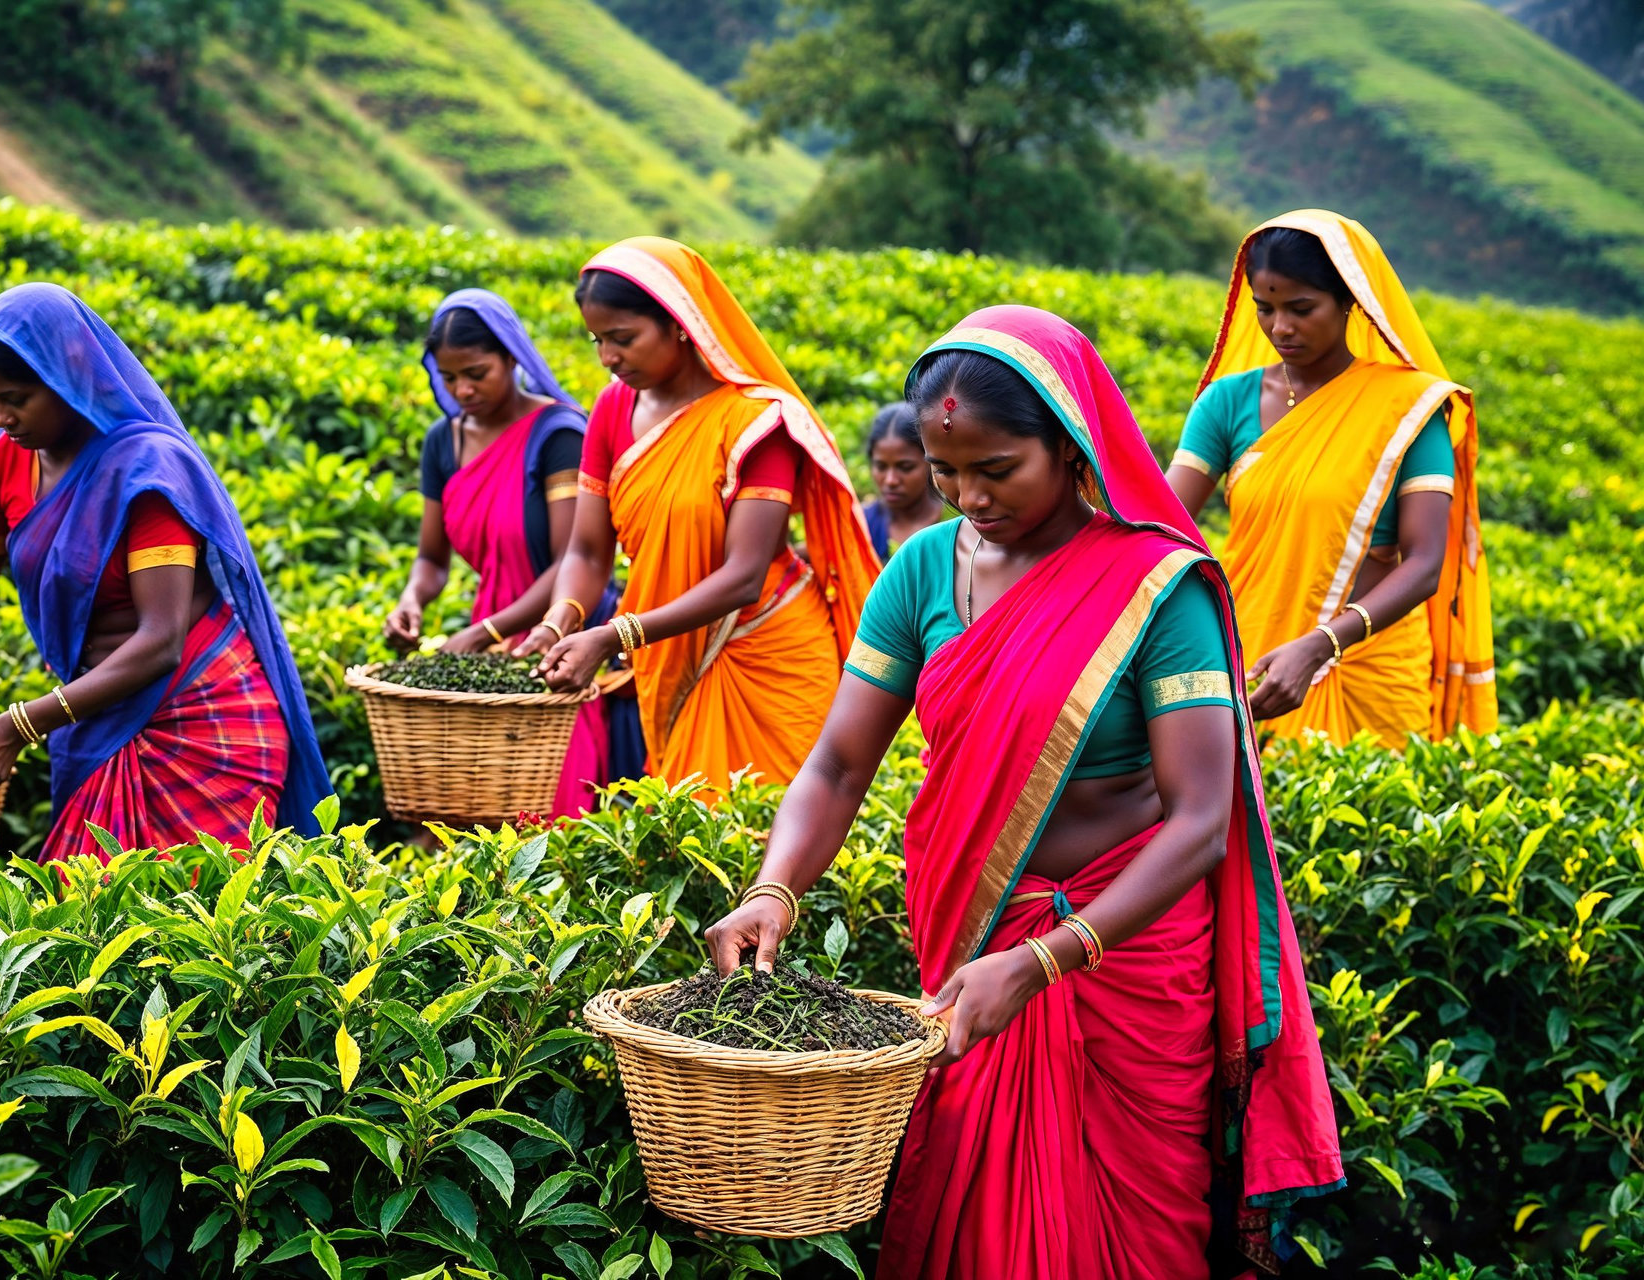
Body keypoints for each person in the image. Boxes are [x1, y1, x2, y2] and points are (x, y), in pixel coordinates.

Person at [705, 307, 1343, 1278]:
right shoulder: (921, 568)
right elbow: (837, 764)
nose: (967, 495)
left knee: (1136, 1235)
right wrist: (771, 888)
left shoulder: (1156, 587)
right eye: (945, 468)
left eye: (996, 470)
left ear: (1071, 442)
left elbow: (1201, 820)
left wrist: (1048, 959)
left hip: (1124, 957)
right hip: (973, 944)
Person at [0, 283, 330, 861]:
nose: (1, 417)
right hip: (95, 710)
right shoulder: (5, 465)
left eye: (15, 397)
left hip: (201, 718)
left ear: (70, 371)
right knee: (88, 922)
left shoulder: (145, 472)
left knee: (202, 926)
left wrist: (15, 727)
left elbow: (160, 642)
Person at [517, 237, 881, 788]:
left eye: (624, 338)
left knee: (774, 839)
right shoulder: (614, 409)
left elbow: (743, 576)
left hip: (765, 652)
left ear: (679, 324)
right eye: (597, 340)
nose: (608, 358)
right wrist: (557, 622)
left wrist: (612, 636)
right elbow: (589, 551)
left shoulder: (755, 422)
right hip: (666, 651)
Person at [1166, 211, 1496, 745]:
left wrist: (1322, 643)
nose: (1281, 328)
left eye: (1301, 309)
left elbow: (1426, 562)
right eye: (1265, 309)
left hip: (1373, 665)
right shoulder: (1227, 403)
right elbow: (1162, 525)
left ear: (1350, 301)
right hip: (1255, 658)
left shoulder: (1409, 409)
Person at [384, 289, 634, 814]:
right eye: (449, 377)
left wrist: (486, 632)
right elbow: (432, 559)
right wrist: (411, 601)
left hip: (563, 628)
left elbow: (573, 560)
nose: (463, 389)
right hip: (490, 634)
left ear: (510, 358)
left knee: (553, 803)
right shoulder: (443, 441)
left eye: (477, 372)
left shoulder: (559, 435)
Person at [861, 401, 943, 562]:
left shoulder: (956, 522)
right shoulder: (861, 525)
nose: (890, 480)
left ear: (930, 463)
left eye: (905, 467)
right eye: (881, 466)